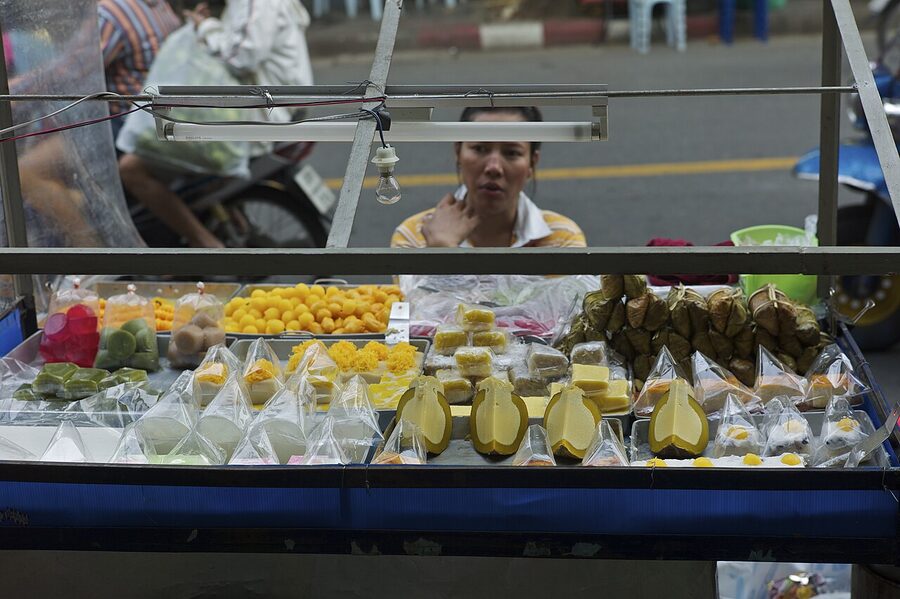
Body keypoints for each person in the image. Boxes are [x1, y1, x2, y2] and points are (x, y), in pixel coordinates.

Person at [118, 0, 314, 248]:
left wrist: (206, 28)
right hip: (267, 112)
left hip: (260, 119)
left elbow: (240, 57)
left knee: (131, 169)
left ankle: (207, 245)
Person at [391, 106, 586, 249]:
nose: (494, 168)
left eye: (511, 153)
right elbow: (415, 304)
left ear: (532, 163)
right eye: (479, 149)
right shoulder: (415, 235)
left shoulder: (562, 239)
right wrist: (440, 247)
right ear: (458, 152)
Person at [98, 0, 181, 140]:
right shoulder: (160, 5)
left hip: (127, 122)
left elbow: (80, 70)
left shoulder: (112, 12)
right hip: (161, 115)